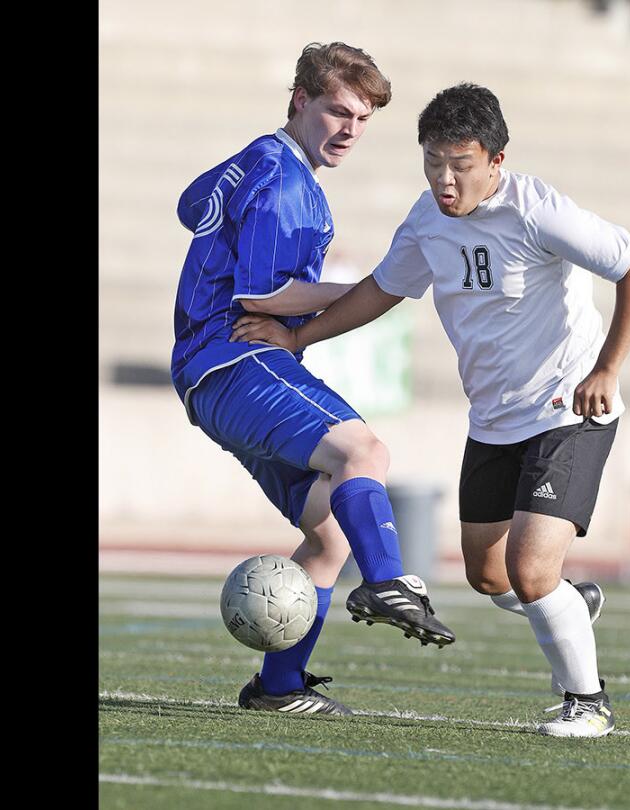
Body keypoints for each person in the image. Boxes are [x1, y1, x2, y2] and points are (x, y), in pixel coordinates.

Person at [231, 83, 630, 738]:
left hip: (567, 407)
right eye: (433, 161)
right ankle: (567, 606)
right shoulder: (427, 220)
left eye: (460, 164)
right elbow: (381, 290)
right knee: (489, 575)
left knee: (529, 567)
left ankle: (587, 703)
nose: (445, 179)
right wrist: (296, 336)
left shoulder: (538, 210)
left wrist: (606, 369)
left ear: (496, 160)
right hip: (492, 420)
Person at [171, 42, 458, 718]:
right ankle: (387, 581)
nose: (350, 130)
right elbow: (263, 296)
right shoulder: (281, 177)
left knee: (328, 535)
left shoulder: (260, 159)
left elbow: (192, 205)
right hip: (235, 359)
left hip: (212, 372)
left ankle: (277, 687)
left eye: (362, 119)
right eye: (337, 111)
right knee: (365, 453)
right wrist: (372, 288)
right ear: (300, 101)